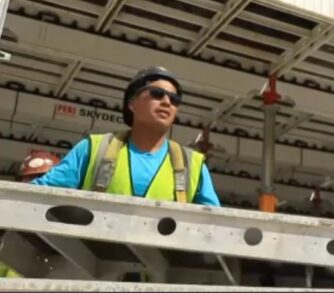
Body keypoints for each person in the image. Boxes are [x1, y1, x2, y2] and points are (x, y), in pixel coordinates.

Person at [32, 66, 220, 206]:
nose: (166, 102)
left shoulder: (193, 164)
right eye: (157, 93)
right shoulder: (93, 148)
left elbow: (214, 224)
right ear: (131, 103)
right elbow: (36, 195)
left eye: (174, 99)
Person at [0, 150, 61, 278]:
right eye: (31, 179)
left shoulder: (62, 225)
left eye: (41, 178)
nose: (36, 185)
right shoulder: (7, 217)